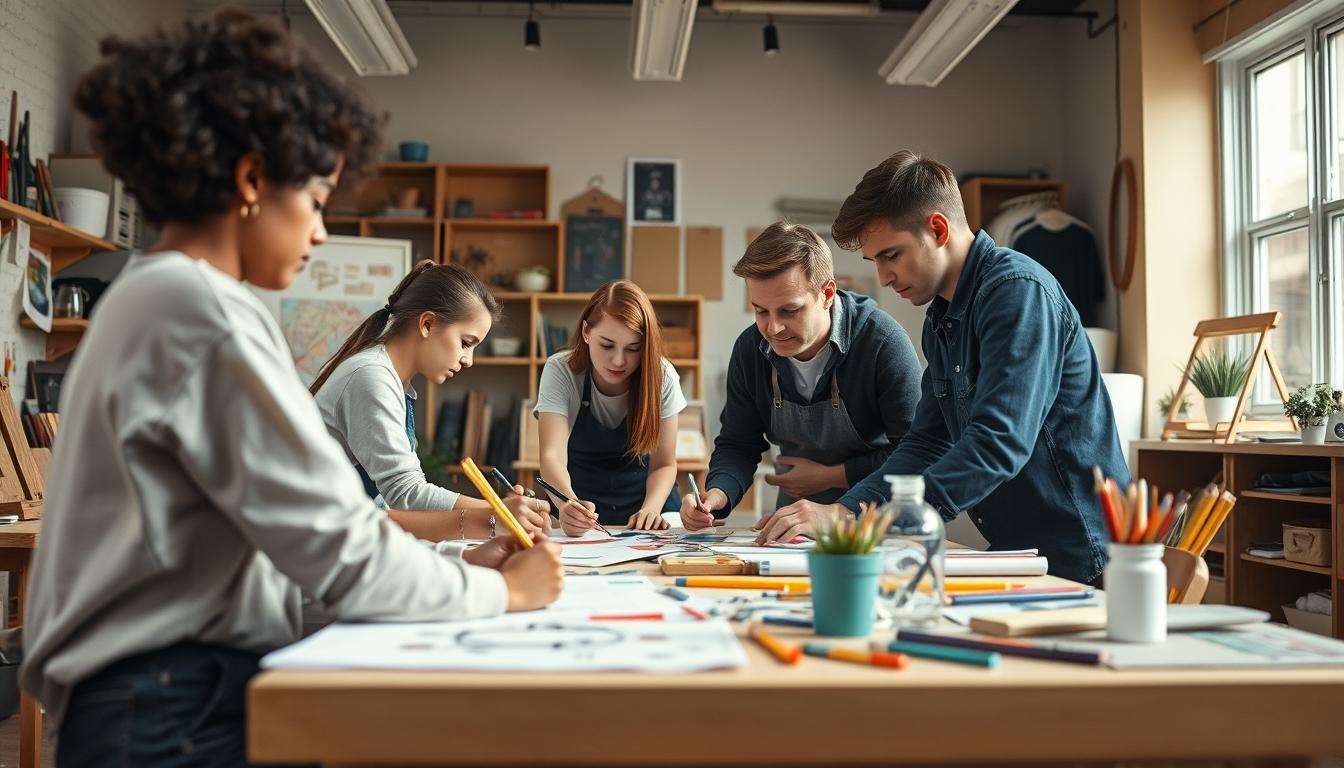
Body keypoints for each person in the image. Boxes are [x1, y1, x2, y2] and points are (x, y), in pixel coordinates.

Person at [19, 11, 563, 766]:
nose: (317, 232)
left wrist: (456, 567)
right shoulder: (200, 315)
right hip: (169, 705)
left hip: (153, 696)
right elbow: (339, 546)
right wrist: (506, 595)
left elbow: (277, 551)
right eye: (314, 201)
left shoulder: (158, 299)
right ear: (251, 181)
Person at [764, 150, 1127, 585]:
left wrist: (862, 523)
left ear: (937, 228)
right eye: (875, 261)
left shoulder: (1017, 293)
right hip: (1023, 553)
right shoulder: (942, 320)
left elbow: (998, 443)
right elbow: (926, 443)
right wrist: (844, 510)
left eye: (891, 255)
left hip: (1081, 555)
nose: (883, 277)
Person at [679, 221, 921, 531]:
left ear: (827, 293)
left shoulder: (882, 343)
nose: (773, 329)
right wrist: (717, 495)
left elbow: (915, 452)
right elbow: (738, 443)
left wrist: (835, 476)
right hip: (793, 527)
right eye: (760, 311)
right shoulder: (751, 348)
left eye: (789, 311)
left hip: (877, 522)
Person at [311, 260, 551, 540]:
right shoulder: (371, 376)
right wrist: (500, 512)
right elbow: (406, 493)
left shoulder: (393, 381)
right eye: (465, 343)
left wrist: (503, 511)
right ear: (427, 324)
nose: (468, 360)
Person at [535, 280, 686, 534]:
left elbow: (664, 464)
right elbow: (552, 456)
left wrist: (650, 510)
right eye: (607, 345)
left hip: (649, 514)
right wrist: (567, 503)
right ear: (586, 332)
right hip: (582, 512)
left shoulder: (663, 376)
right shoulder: (561, 370)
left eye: (633, 349)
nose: (618, 361)